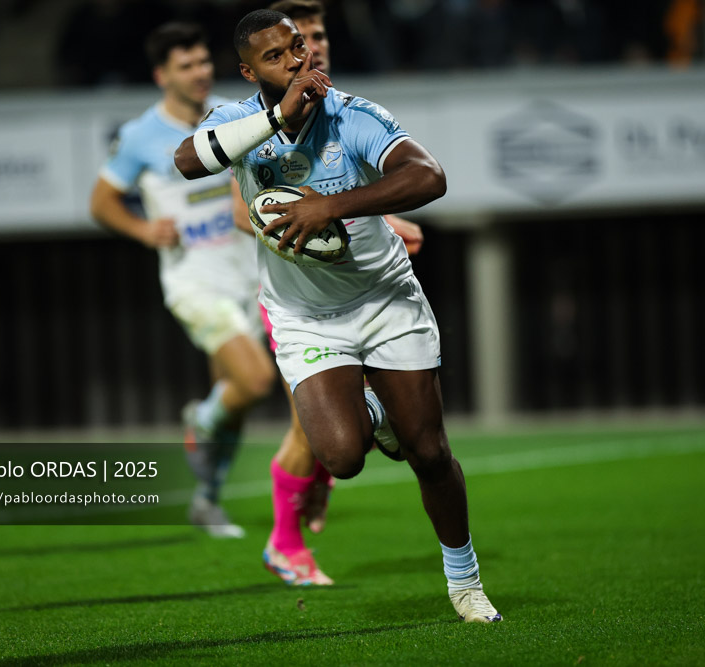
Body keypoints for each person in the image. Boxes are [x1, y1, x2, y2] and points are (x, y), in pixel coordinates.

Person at [175, 9, 502, 622]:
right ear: (250, 72)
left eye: (300, 45)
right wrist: (276, 118)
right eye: (278, 56)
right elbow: (189, 162)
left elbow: (430, 176)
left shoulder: (354, 114)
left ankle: (465, 582)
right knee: (342, 458)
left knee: (428, 452)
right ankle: (374, 408)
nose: (298, 58)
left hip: (384, 299)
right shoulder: (235, 122)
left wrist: (334, 206)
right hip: (303, 314)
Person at [225, 0, 425, 588]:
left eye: (314, 37)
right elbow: (246, 210)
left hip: (353, 291)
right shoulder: (257, 122)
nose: (309, 48)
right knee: (305, 428)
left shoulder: (342, 113)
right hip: (294, 299)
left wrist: (374, 223)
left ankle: (313, 498)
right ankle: (284, 544)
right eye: (295, 40)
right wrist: (306, 235)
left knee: (331, 432)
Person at [89, 22, 275, 538]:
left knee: (234, 401)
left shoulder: (232, 116)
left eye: (202, 62)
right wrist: (144, 228)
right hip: (195, 282)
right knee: (256, 381)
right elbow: (100, 202)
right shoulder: (140, 136)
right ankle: (199, 421)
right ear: (160, 75)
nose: (199, 73)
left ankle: (207, 500)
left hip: (247, 276)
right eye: (186, 66)